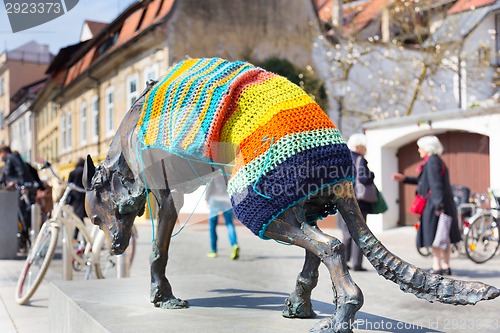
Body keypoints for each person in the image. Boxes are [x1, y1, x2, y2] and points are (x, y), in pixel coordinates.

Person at [392, 135, 460, 275]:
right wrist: (405, 178)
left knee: (435, 236)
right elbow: (425, 181)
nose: (418, 150)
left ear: (427, 148)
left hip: (436, 204)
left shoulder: (432, 162)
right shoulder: (436, 161)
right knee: (444, 236)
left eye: (420, 147)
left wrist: (438, 206)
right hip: (443, 202)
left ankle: (437, 266)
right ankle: (446, 266)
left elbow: (436, 185)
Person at [337, 133, 374, 272]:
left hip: (343, 199)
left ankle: (343, 262)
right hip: (359, 201)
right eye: (364, 147)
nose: (365, 149)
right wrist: (372, 175)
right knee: (359, 232)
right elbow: (364, 179)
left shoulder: (343, 159)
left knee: (346, 232)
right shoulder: (360, 160)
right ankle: (357, 263)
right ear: (358, 147)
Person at [0, 145, 34, 255]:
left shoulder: (11, 157)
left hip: (17, 192)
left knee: (21, 217)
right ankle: (22, 243)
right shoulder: (9, 161)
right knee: (20, 218)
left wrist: (21, 184)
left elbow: (21, 171)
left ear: (4, 152)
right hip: (12, 193)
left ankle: (24, 242)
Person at [205, 173, 239, 260]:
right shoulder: (228, 172)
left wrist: (206, 198)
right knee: (229, 223)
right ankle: (234, 244)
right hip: (226, 200)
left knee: (212, 225)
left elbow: (209, 186)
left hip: (215, 200)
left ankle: (213, 250)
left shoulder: (214, 171)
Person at [67, 158, 87, 238]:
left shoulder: (72, 172)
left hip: (75, 197)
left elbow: (69, 185)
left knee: (78, 217)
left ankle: (77, 236)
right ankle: (80, 236)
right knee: (80, 216)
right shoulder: (86, 171)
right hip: (84, 196)